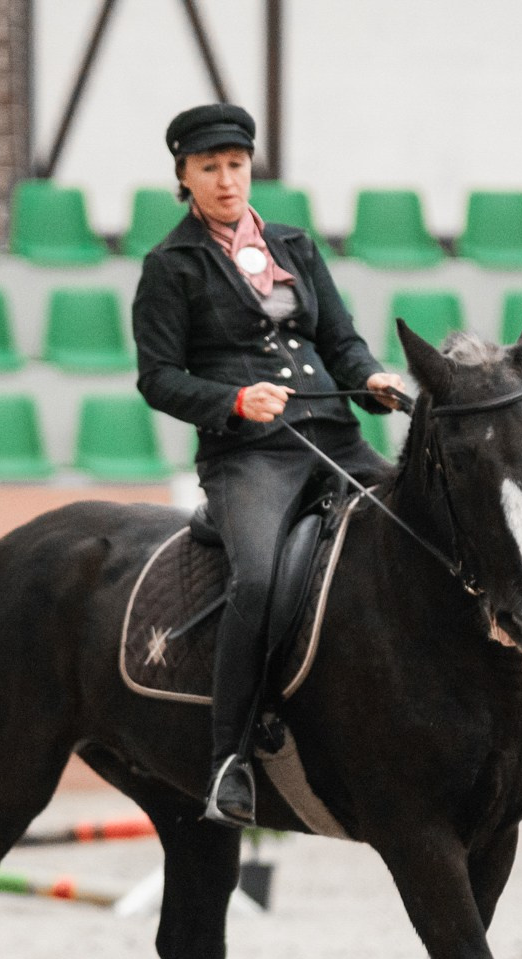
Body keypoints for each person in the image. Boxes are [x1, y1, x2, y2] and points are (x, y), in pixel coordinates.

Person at [132, 102, 408, 827]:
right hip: (249, 455)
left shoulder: (294, 243)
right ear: (184, 177)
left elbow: (340, 340)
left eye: (236, 165)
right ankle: (231, 755)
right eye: (209, 168)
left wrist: (374, 378)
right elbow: (157, 378)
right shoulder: (170, 265)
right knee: (256, 578)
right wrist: (232, 399)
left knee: (417, 533)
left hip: (335, 432)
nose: (227, 181)